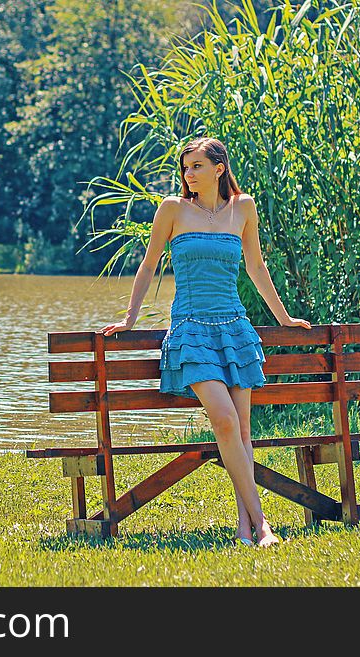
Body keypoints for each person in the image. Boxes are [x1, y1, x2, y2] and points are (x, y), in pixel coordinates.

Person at [100, 136, 312, 548]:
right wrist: (129, 317)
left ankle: (244, 528)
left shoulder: (243, 208)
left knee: (243, 432)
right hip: (191, 330)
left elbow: (255, 265)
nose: (188, 174)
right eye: (185, 167)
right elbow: (147, 265)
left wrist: (283, 317)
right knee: (226, 421)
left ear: (219, 168)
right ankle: (263, 523)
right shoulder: (172, 210)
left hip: (234, 328)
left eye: (196, 165)